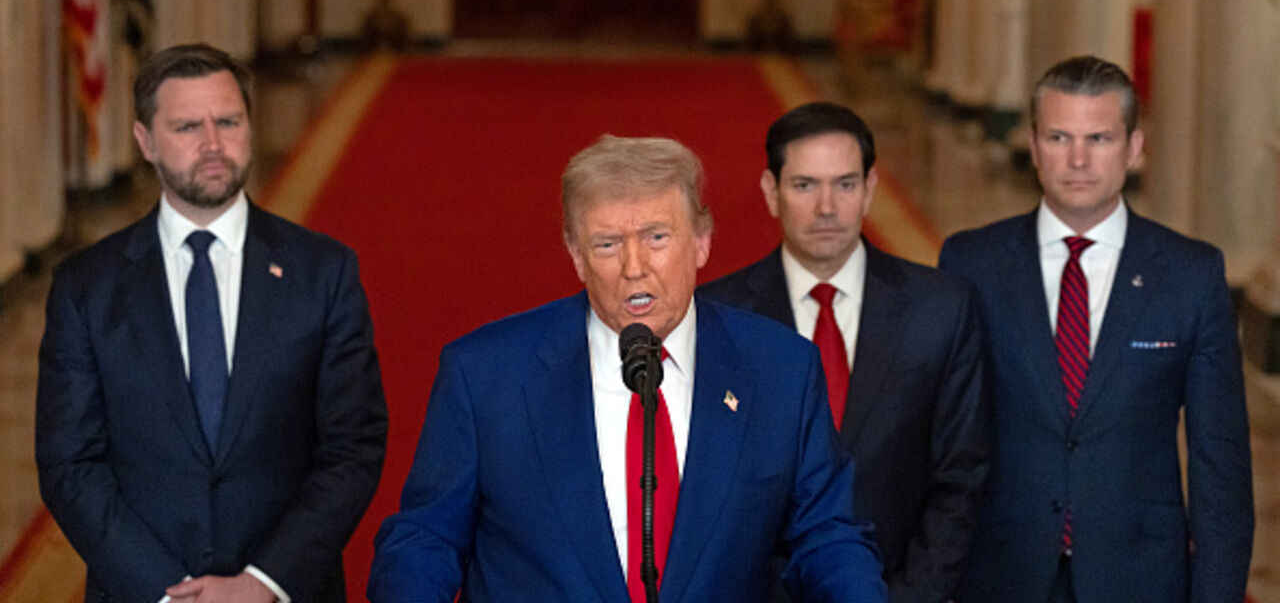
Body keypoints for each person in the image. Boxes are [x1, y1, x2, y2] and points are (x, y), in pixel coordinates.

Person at [368, 135, 887, 602]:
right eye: (607, 244)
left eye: (657, 237)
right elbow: (425, 538)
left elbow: (826, 535)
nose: (634, 266)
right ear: (576, 255)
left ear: (702, 241)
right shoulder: (486, 374)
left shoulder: (780, 370)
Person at [36, 43, 388, 603]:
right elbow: (70, 463)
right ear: (145, 141)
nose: (213, 145)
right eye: (186, 127)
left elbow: (353, 447)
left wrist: (263, 582)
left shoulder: (324, 272)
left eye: (228, 121)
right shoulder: (87, 288)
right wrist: (165, 592)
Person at [938, 56, 1254, 603]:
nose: (1078, 159)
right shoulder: (972, 264)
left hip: (1139, 578)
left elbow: (1220, 470)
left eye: (1099, 138)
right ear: (1033, 144)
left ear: (1134, 147)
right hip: (1000, 574)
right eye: (1059, 137)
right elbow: (939, 441)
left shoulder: (1190, 275)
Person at [700, 102, 988, 603]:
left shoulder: (941, 309)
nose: (827, 207)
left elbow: (961, 477)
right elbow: (709, 489)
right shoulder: (719, 317)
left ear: (871, 189)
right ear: (772, 192)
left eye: (846, 184)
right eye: (805, 185)